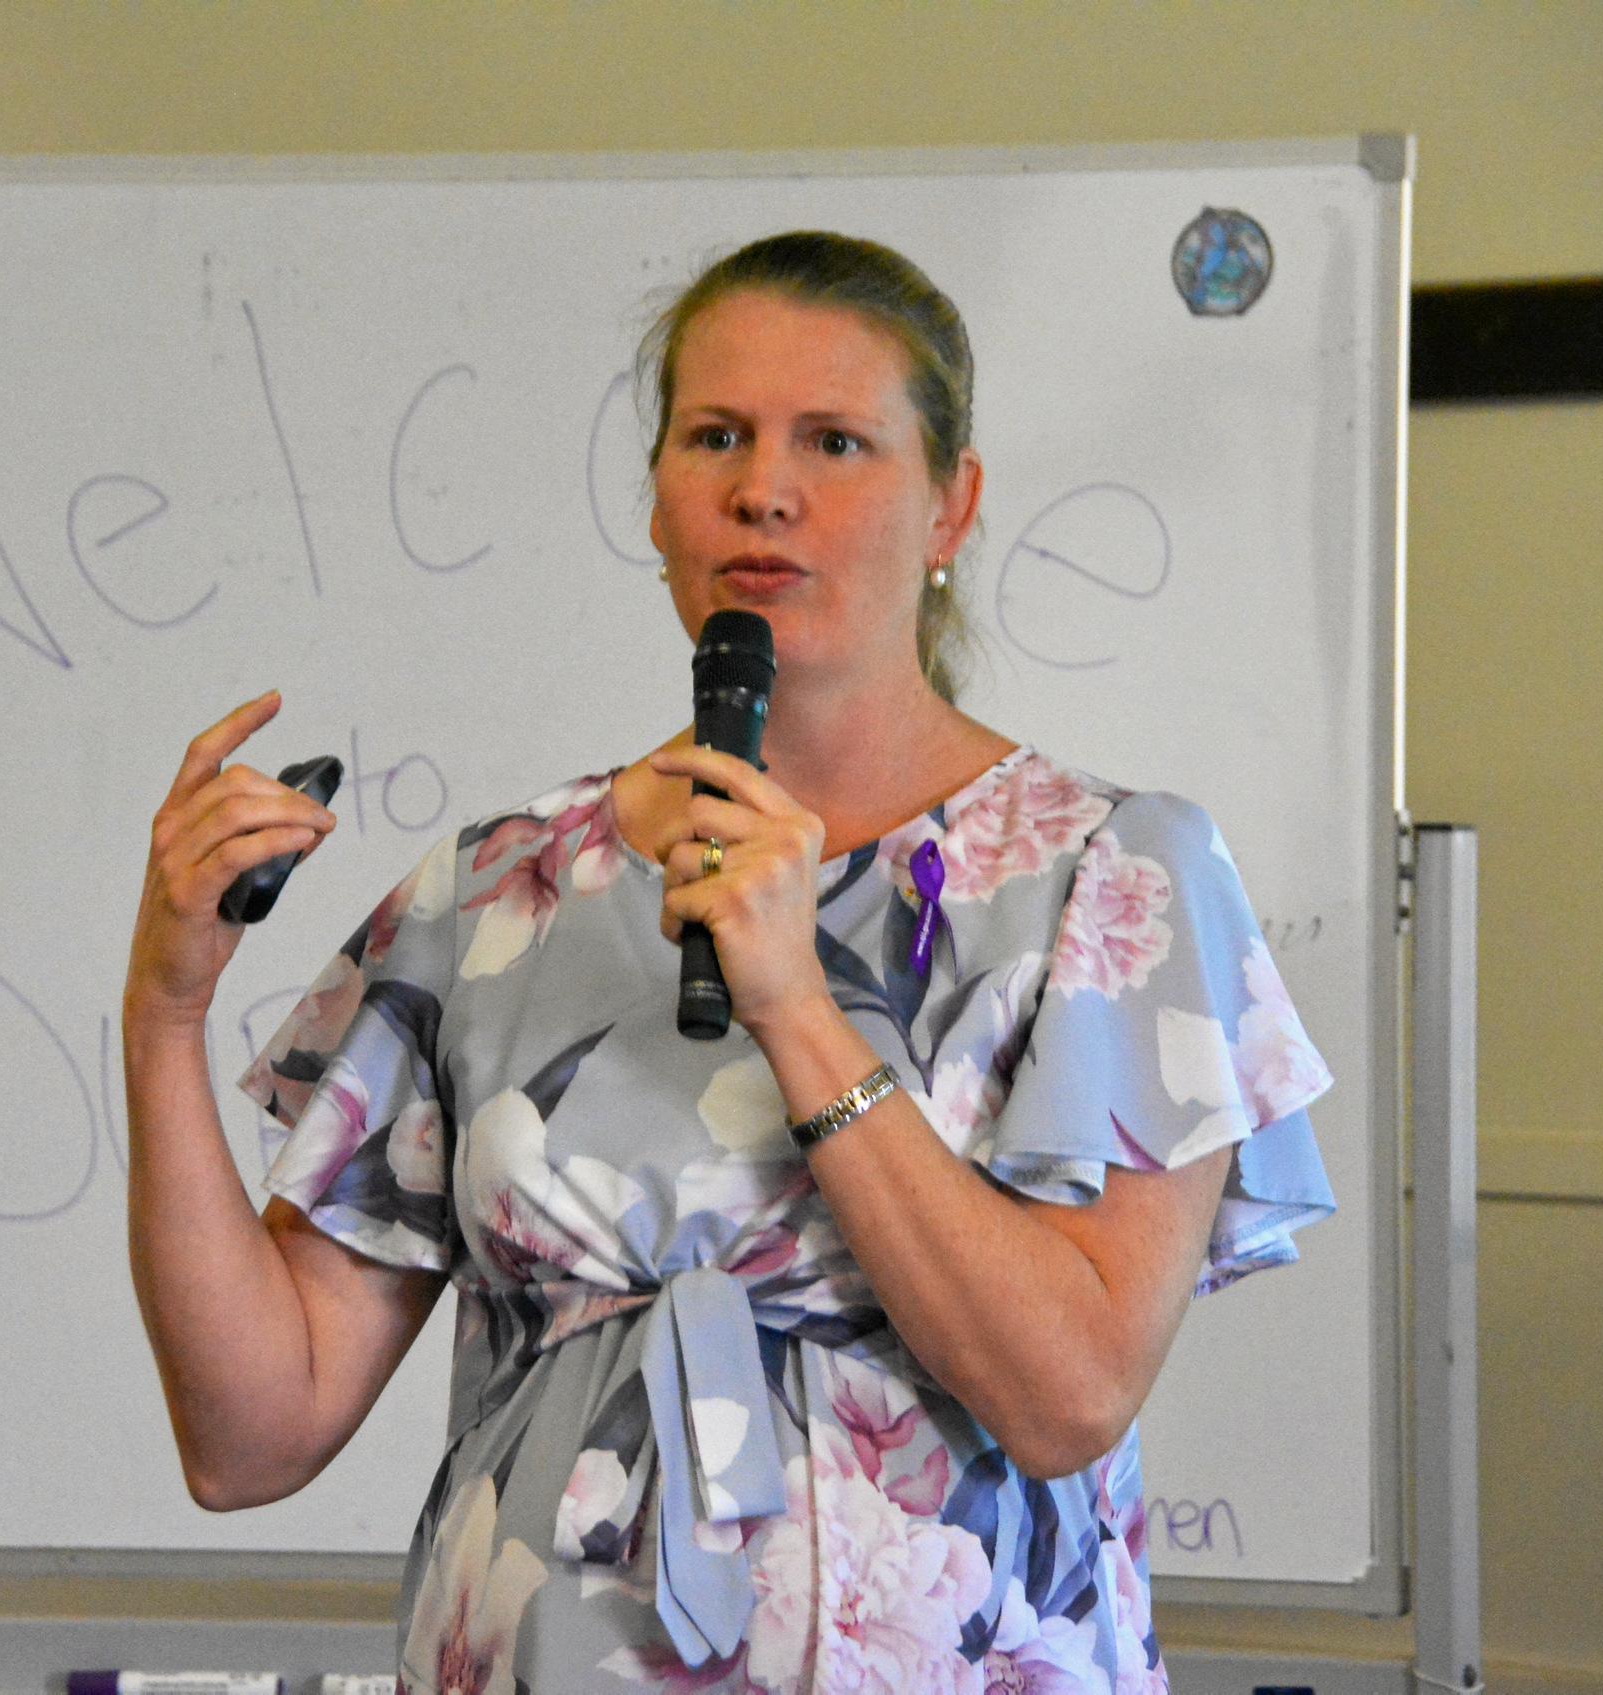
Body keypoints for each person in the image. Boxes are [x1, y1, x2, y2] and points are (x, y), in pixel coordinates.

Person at [123, 231, 1336, 1694]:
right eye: (715, 437)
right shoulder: (495, 891)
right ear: (656, 498)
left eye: (834, 441)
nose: (763, 487)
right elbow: (251, 1437)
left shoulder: (1116, 872)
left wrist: (797, 1007)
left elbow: (1065, 1395)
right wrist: (164, 1012)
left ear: (949, 505)